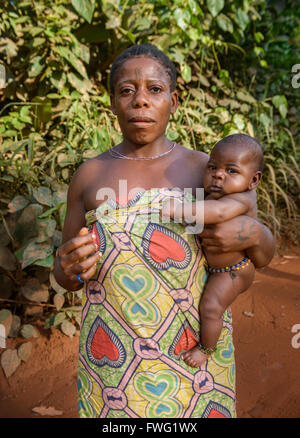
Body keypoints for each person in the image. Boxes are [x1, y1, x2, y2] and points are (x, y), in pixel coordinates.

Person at [53, 44, 275, 418]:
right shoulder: (89, 176)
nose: (140, 101)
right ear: (112, 102)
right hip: (113, 359)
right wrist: (69, 265)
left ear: (173, 101)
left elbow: (262, 252)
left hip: (192, 355)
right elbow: (66, 276)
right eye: (127, 90)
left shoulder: (206, 169)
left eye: (154, 90)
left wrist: (252, 236)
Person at [161, 134, 264, 368]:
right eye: (213, 167)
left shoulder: (242, 199)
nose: (218, 174)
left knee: (210, 307)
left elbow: (216, 213)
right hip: (217, 266)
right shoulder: (214, 192)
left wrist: (178, 210)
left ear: (254, 180)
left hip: (233, 270)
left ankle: (206, 348)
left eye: (232, 171)